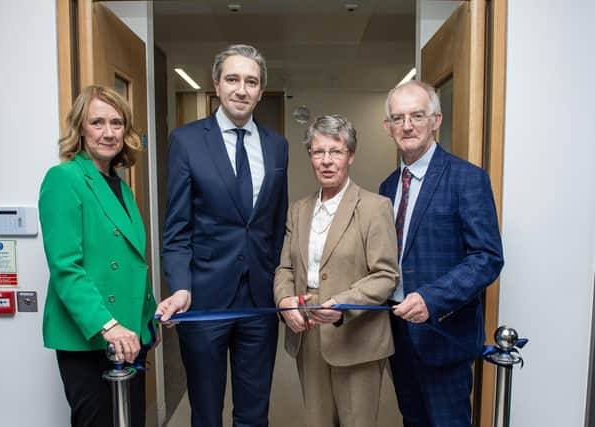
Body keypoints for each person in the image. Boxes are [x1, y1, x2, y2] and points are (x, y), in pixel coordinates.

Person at [156, 44, 289, 427]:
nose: (241, 89)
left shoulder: (277, 146)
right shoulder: (187, 141)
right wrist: (180, 286)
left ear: (261, 90)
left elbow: (276, 226)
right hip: (203, 301)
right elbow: (176, 229)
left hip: (259, 302)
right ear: (216, 84)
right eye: (233, 79)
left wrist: (282, 287)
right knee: (206, 412)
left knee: (253, 412)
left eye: (251, 81)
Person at [378, 80, 504, 427]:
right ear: (388, 127)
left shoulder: (467, 179)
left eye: (417, 115)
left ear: (436, 120)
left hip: (444, 336)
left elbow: (487, 257)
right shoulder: (387, 188)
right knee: (412, 420)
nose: (407, 125)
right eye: (398, 118)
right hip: (399, 335)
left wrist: (432, 299)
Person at [39, 85, 157, 427]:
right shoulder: (63, 179)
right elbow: (66, 268)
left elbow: (132, 261)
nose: (109, 133)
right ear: (80, 128)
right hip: (92, 335)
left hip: (130, 336)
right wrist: (109, 325)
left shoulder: (120, 184)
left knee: (132, 420)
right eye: (98, 123)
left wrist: (146, 318)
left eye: (117, 123)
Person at [274, 115, 399, 427]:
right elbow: (285, 267)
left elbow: (386, 275)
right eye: (318, 152)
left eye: (336, 152)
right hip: (309, 334)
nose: (326, 161)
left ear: (351, 156)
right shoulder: (298, 209)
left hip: (357, 338)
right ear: (311, 157)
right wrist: (284, 300)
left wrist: (343, 304)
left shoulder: (375, 207)